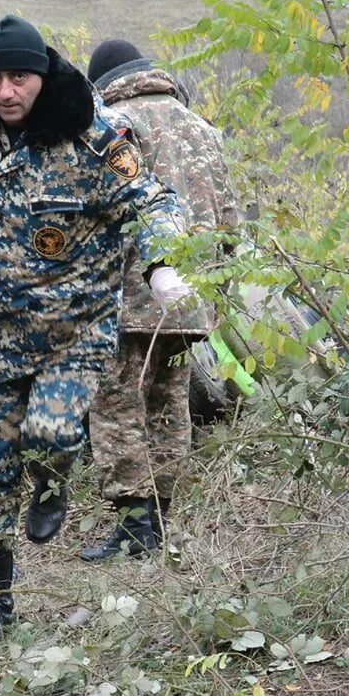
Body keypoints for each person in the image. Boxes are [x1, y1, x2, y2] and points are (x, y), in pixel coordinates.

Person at [0, 15, 192, 640]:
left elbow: (155, 201)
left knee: (53, 432)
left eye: (21, 79)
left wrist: (163, 264)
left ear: (44, 76)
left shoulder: (95, 135)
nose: (7, 92)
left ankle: (54, 480)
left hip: (73, 329)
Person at [80, 40, 241, 560]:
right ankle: (160, 518)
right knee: (169, 400)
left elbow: (99, 213)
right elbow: (232, 222)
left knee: (118, 402)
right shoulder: (204, 129)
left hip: (131, 296)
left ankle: (133, 527)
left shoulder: (114, 126)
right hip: (191, 299)